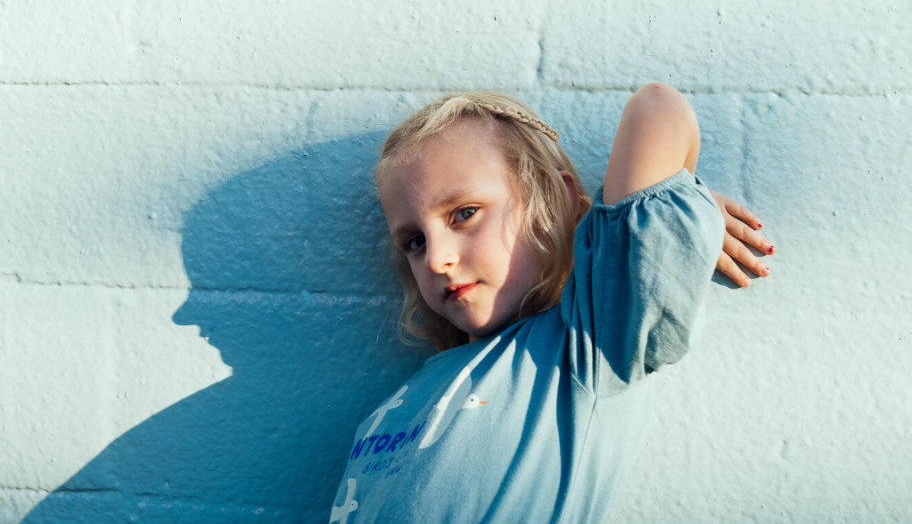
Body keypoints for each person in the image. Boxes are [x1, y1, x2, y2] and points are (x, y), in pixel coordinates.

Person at [328, 84, 774, 523]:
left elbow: (657, 107)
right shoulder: (413, 390)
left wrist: (669, 209)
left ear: (554, 199)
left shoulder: (586, 344)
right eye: (414, 241)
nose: (438, 259)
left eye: (464, 213)